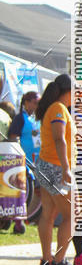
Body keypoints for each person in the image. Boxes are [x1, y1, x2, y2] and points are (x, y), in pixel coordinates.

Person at [34, 74, 79, 265]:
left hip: (46, 165)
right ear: (66, 91)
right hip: (56, 167)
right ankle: (58, 261)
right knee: (72, 215)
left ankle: (46, 259)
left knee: (49, 214)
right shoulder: (59, 109)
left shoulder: (53, 108)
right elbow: (60, 139)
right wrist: (66, 167)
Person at [8, 90, 41, 234]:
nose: (37, 106)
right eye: (35, 103)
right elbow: (13, 138)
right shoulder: (19, 118)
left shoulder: (36, 118)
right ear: (26, 102)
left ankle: (27, 217)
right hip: (23, 161)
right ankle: (18, 220)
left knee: (40, 191)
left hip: (37, 160)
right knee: (23, 191)